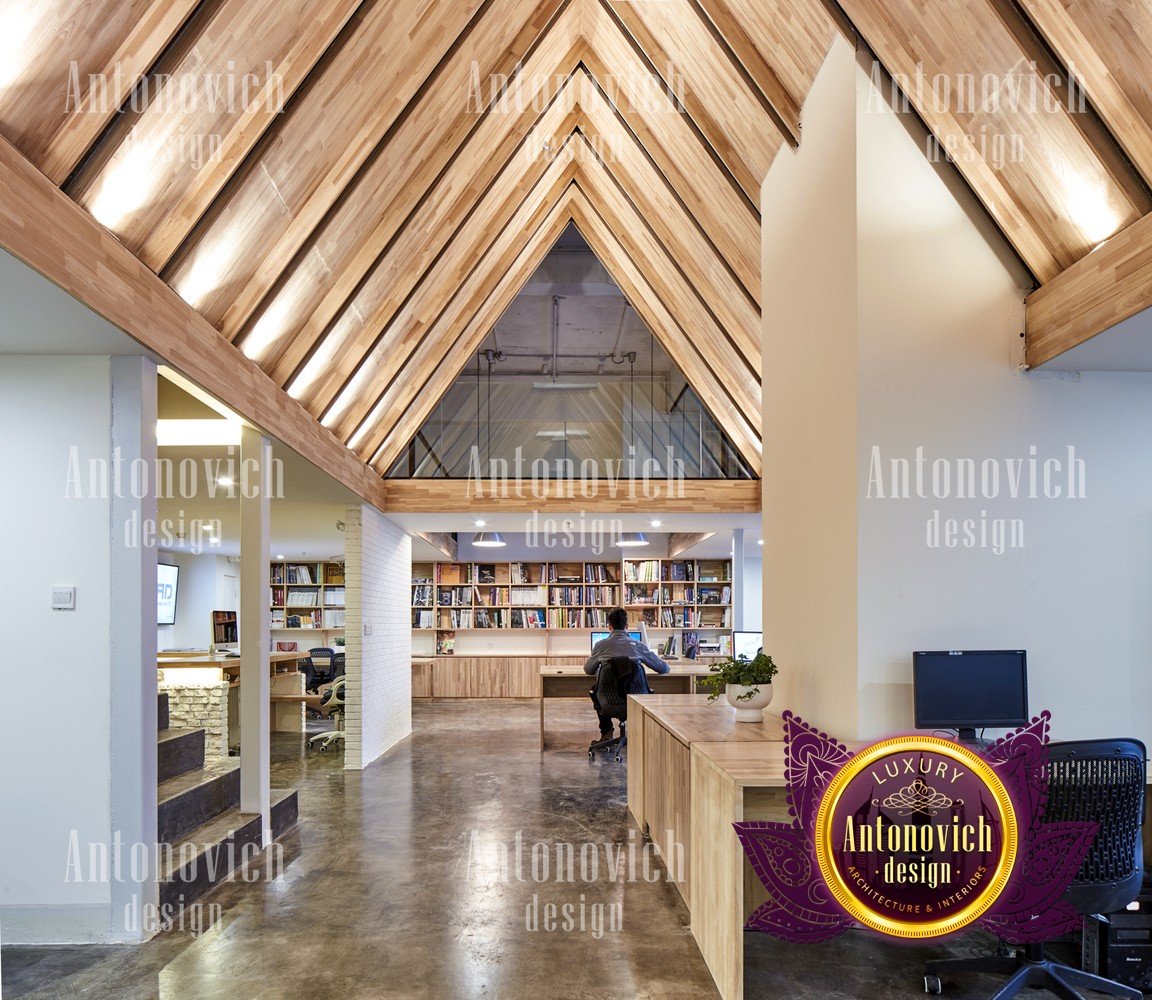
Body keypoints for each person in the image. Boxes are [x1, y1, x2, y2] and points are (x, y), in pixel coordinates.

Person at [584, 607, 669, 740]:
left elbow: (588, 670)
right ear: (627, 626)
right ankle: (641, 734)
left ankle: (606, 731)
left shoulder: (600, 645)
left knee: (595, 690)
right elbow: (663, 669)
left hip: (608, 703)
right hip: (636, 702)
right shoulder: (638, 645)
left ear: (609, 627)